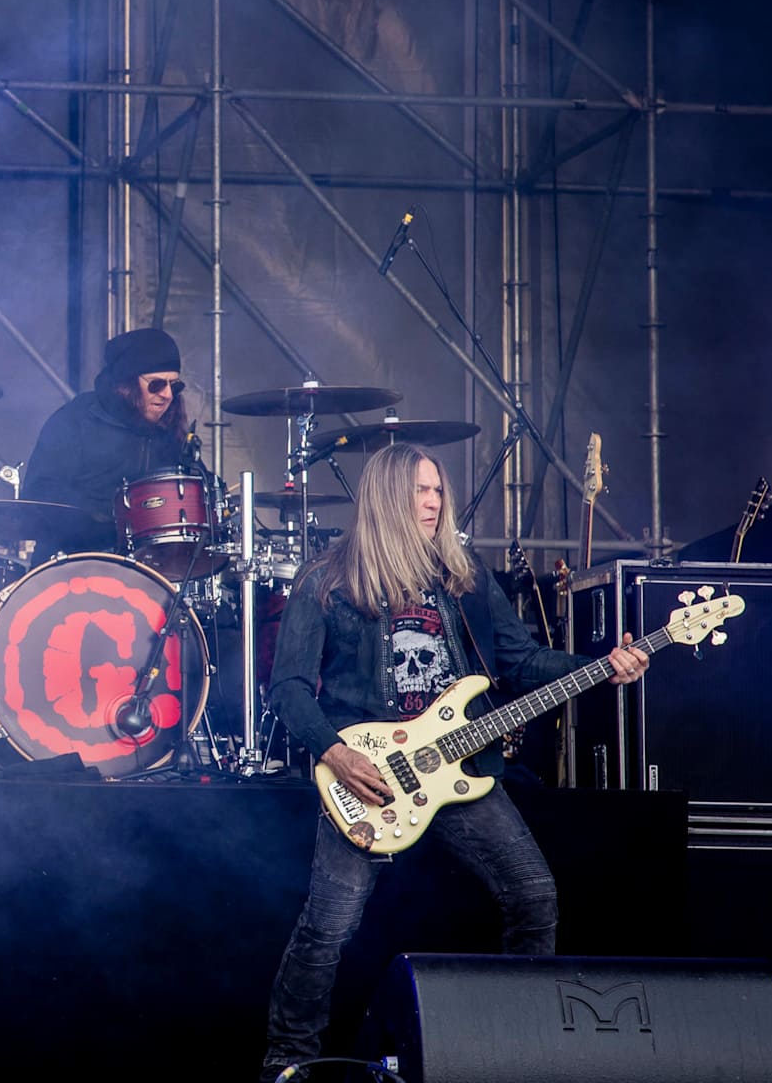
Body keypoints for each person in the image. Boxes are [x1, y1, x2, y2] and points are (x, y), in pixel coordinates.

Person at [256, 444, 649, 1080]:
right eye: (420, 490)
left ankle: (522, 1051)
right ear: (388, 497)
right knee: (327, 928)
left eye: (438, 490)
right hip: (370, 776)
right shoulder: (328, 579)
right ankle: (289, 1061)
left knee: (533, 897)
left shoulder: (464, 578)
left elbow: (521, 662)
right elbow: (289, 689)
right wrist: (336, 752)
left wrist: (603, 667)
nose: (434, 502)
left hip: (461, 770)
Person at [22, 327, 194, 555]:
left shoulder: (169, 431)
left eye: (175, 385)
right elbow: (40, 494)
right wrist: (109, 517)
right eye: (156, 384)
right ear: (126, 385)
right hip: (74, 560)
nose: (167, 395)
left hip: (147, 564)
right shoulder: (76, 419)